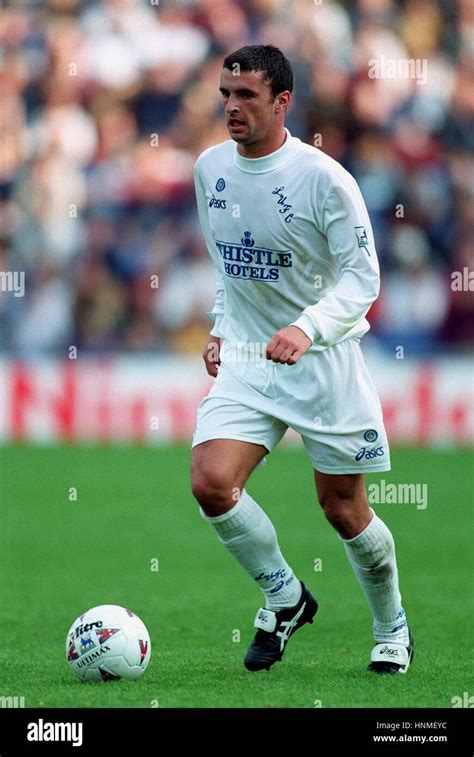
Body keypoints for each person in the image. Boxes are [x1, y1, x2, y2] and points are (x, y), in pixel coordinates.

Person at [191, 45, 413, 675]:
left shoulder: (324, 179)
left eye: (246, 96)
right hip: (248, 358)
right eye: (225, 95)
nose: (232, 107)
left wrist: (307, 327)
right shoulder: (210, 169)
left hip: (323, 362)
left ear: (282, 102)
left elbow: (363, 277)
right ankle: (284, 595)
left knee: (342, 507)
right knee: (211, 482)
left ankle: (391, 625)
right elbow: (229, 262)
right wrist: (220, 325)